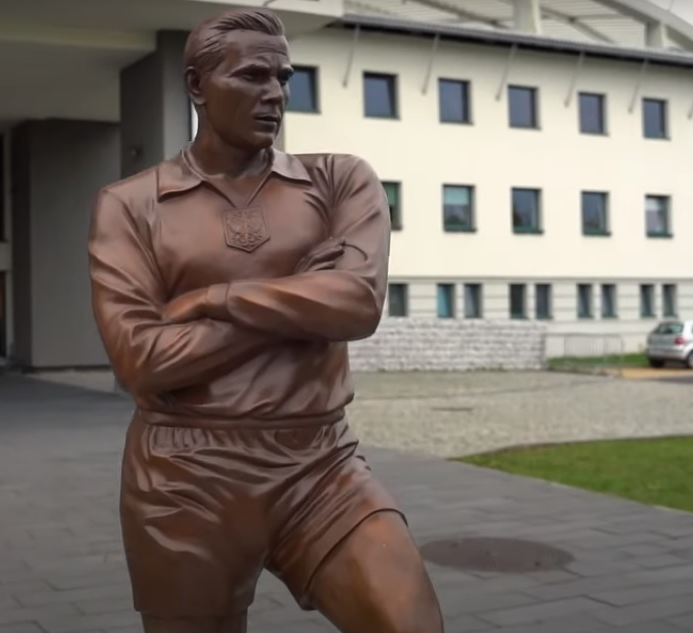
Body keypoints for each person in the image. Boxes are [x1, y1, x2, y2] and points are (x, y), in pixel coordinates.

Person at [87, 7, 445, 633]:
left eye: (283, 77)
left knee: (409, 621)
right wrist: (301, 294)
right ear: (197, 85)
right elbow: (141, 361)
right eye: (253, 76)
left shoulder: (338, 181)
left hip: (321, 463)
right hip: (186, 474)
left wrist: (215, 298)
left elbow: (357, 303)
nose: (275, 93)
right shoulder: (131, 205)